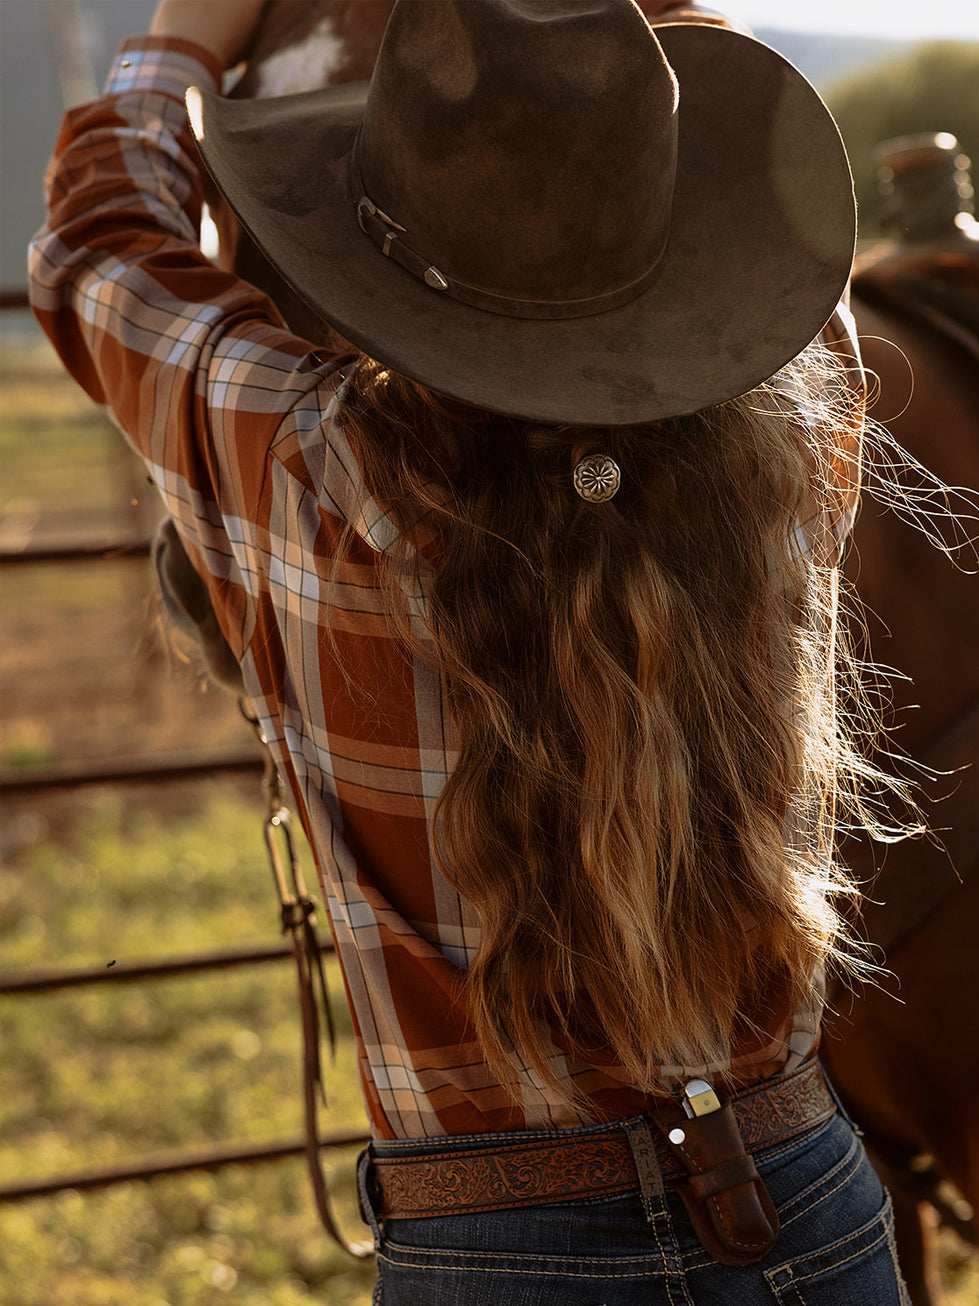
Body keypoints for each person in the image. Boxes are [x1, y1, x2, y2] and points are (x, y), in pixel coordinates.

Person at [29, 1, 915, 1300]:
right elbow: (787, 258)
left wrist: (182, 41)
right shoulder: (794, 448)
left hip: (496, 1252)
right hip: (804, 1205)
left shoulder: (301, 464)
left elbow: (95, 251)